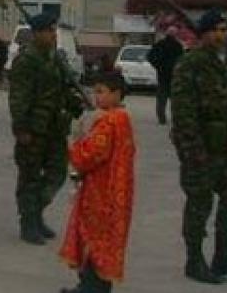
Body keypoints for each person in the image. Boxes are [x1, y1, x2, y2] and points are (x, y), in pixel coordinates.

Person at [171, 9, 227, 284]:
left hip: (226, 147)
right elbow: (183, 112)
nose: (222, 35)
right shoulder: (190, 64)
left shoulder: (225, 62)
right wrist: (192, 151)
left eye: (225, 30)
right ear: (204, 33)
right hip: (200, 149)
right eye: (217, 30)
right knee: (200, 204)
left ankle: (223, 256)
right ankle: (194, 260)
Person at [9, 12, 83, 245]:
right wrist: (21, 128)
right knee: (30, 177)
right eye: (49, 31)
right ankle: (28, 222)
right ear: (37, 33)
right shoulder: (26, 61)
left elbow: (63, 87)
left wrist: (74, 102)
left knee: (57, 173)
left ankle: (36, 212)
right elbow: (18, 98)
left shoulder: (54, 57)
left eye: (54, 30)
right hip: (34, 128)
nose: (54, 35)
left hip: (56, 127)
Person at [59, 72, 136, 293]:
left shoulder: (109, 121)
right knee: (105, 239)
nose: (96, 96)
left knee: (92, 238)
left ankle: (90, 287)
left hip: (101, 191)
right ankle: (95, 286)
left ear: (117, 94)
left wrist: (75, 145)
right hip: (116, 189)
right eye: (95, 92)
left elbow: (90, 155)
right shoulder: (123, 118)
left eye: (101, 92)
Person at [148, 24, 184, 126]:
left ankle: (161, 118)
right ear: (175, 34)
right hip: (174, 75)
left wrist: (157, 66)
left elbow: (150, 56)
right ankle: (175, 117)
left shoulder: (160, 44)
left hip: (162, 74)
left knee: (161, 98)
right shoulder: (178, 46)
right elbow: (182, 59)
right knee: (175, 98)